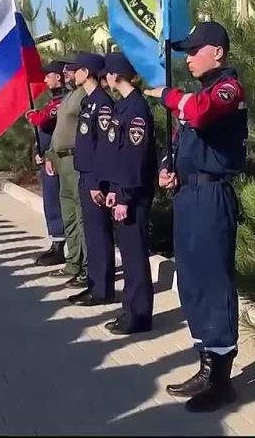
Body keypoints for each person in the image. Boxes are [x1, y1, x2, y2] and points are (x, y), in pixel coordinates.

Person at [144, 21, 248, 413]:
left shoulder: (227, 89)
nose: (187, 58)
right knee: (190, 281)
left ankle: (221, 379)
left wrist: (169, 95)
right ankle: (206, 362)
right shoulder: (197, 93)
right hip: (189, 195)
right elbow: (181, 139)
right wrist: (168, 168)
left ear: (217, 52)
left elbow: (200, 114)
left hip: (212, 196)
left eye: (194, 51)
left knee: (212, 280)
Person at [103, 52, 156, 334]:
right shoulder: (123, 107)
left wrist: (124, 196)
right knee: (129, 253)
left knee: (135, 257)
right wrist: (113, 189)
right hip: (123, 191)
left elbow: (135, 159)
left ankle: (139, 316)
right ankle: (129, 310)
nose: (106, 78)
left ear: (116, 75)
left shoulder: (136, 109)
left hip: (134, 196)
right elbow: (118, 155)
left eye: (108, 73)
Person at [65, 52, 116, 307]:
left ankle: (103, 289)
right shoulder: (89, 102)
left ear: (87, 72)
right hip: (86, 176)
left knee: (98, 234)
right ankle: (95, 285)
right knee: (92, 234)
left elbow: (104, 147)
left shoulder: (103, 103)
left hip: (95, 179)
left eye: (77, 70)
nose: (73, 74)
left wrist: (96, 181)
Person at [43, 57, 88, 288]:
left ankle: (87, 266)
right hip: (61, 160)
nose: (66, 73)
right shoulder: (69, 96)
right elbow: (59, 129)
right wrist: (50, 154)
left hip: (75, 160)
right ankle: (73, 262)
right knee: (68, 214)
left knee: (81, 216)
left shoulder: (84, 96)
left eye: (70, 70)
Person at [26, 61, 67, 266]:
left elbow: (44, 120)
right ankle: (55, 242)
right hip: (47, 159)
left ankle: (61, 246)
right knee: (50, 201)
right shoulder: (54, 100)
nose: (44, 79)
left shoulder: (63, 101)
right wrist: (37, 151)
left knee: (57, 202)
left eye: (47, 76)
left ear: (58, 77)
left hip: (59, 161)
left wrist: (35, 116)